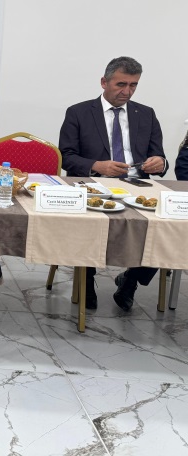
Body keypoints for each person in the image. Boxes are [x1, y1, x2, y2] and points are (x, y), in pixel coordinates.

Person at [59, 56, 168, 311]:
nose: (127, 91)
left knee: (165, 224)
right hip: (94, 185)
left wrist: (159, 163)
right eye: (121, 84)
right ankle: (86, 280)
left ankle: (131, 279)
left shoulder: (147, 114)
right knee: (87, 223)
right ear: (104, 82)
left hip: (138, 185)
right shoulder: (79, 112)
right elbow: (66, 156)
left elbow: (160, 157)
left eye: (133, 85)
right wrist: (97, 165)